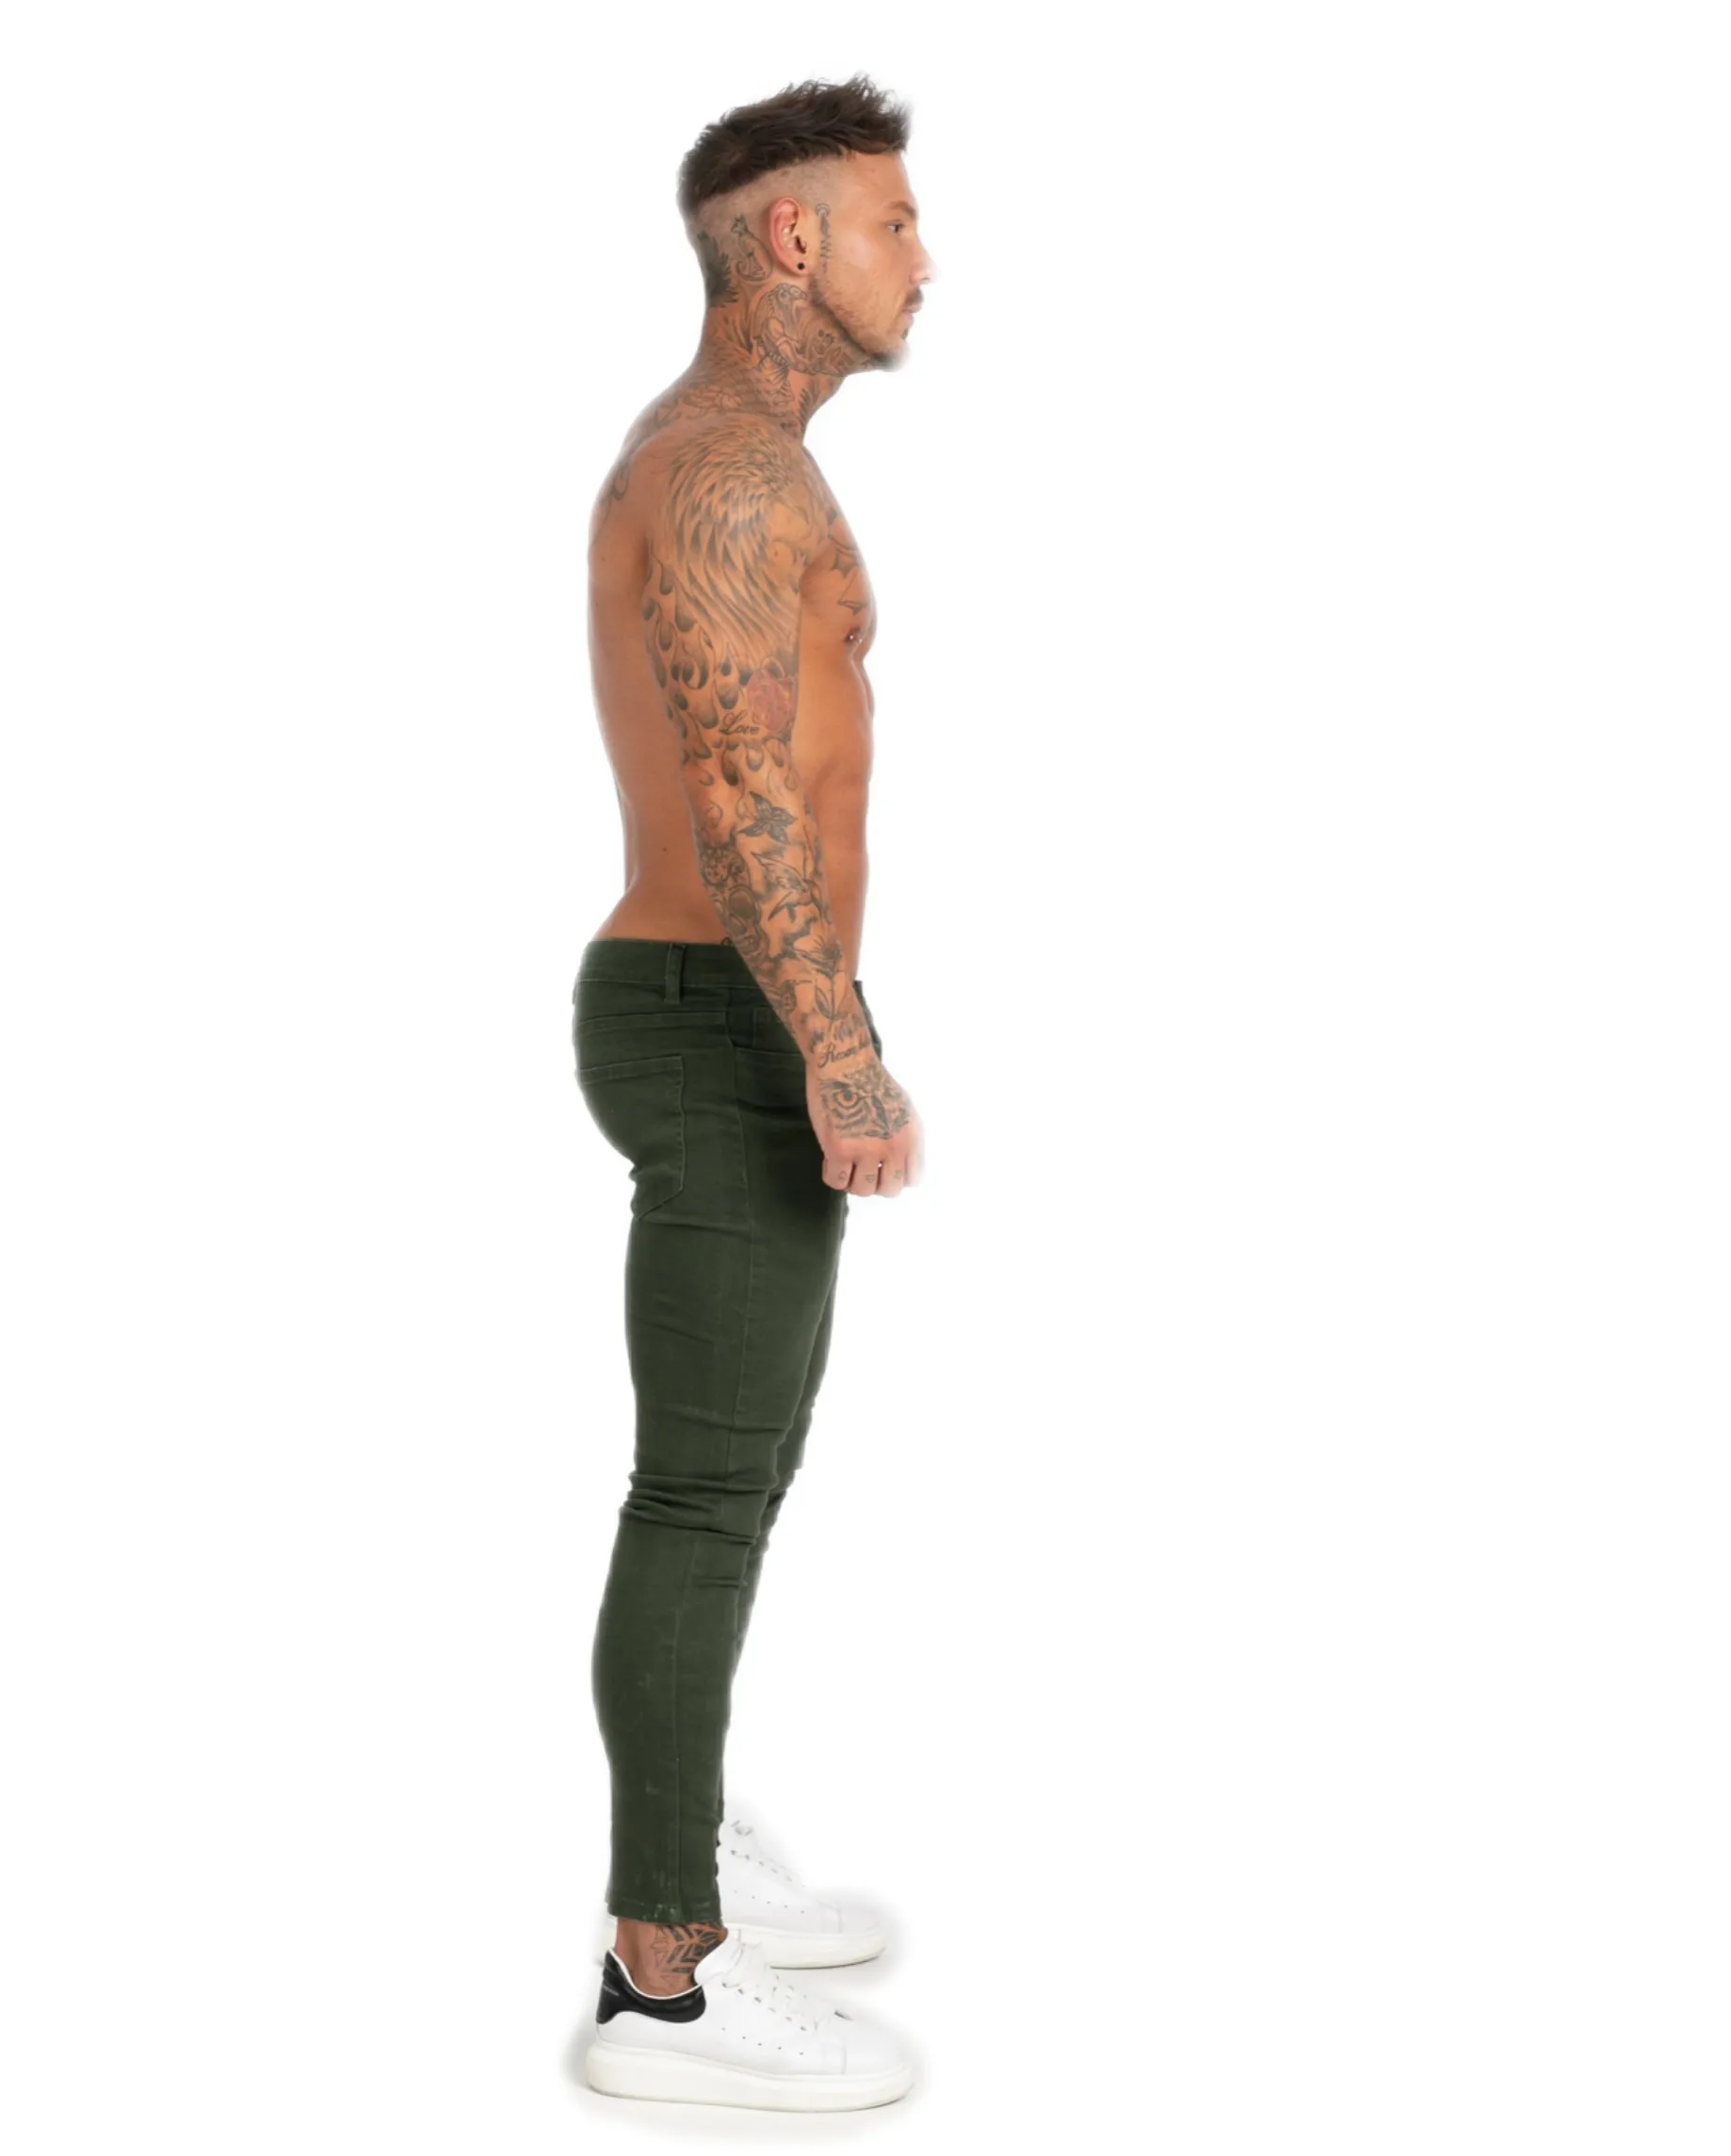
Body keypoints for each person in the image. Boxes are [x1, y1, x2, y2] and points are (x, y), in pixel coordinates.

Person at [569, 73, 935, 2112]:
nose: (923, 260)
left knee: (743, 1475)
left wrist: (829, 1019)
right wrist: (836, 1046)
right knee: (700, 1496)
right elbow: (738, 792)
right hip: (725, 1012)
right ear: (790, 237)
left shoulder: (743, 460)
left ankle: (684, 1827)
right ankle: (663, 1984)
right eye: (894, 221)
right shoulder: (718, 473)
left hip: (747, 1006)